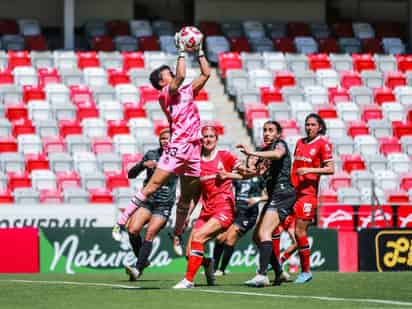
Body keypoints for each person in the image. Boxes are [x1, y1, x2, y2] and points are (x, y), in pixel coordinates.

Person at [112, 30, 211, 256]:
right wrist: (182, 52)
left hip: (194, 148)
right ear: (161, 81)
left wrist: (200, 50)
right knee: (152, 186)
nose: (173, 73)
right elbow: (181, 77)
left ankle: (176, 235)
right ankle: (121, 220)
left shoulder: (186, 91)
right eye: (168, 73)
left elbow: (206, 74)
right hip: (177, 146)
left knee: (187, 196)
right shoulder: (165, 94)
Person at [173, 125, 241, 289]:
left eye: (211, 136)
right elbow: (195, 194)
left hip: (224, 208)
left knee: (198, 238)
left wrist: (227, 174)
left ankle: (188, 280)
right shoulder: (197, 163)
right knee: (190, 253)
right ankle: (208, 263)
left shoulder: (225, 156)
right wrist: (188, 214)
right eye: (205, 136)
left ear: (217, 139)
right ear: (201, 140)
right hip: (206, 210)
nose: (208, 139)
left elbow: (243, 173)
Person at [237, 120, 296, 287]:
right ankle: (279, 272)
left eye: (271, 130)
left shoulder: (280, 145)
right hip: (274, 196)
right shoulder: (263, 152)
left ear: (278, 134)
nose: (267, 133)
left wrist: (252, 152)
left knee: (264, 233)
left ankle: (262, 275)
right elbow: (253, 173)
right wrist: (234, 172)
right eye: (264, 130)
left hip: (283, 193)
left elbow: (277, 155)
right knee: (257, 237)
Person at [124, 129, 178, 280]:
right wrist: (143, 165)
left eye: (168, 139)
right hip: (148, 201)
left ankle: (138, 268)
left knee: (150, 233)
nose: (165, 141)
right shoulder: (151, 154)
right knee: (132, 230)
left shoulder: (178, 156)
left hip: (164, 203)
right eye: (163, 139)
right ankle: (143, 260)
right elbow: (131, 174)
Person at [291, 113, 334, 283]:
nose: (309, 127)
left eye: (312, 125)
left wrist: (310, 170)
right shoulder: (300, 142)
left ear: (320, 127)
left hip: (308, 195)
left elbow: (330, 169)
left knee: (299, 231)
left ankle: (306, 271)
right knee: (278, 227)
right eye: (307, 124)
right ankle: (281, 260)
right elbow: (295, 166)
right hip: (293, 192)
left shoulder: (323, 144)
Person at [212, 155, 266, 276]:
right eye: (251, 158)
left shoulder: (260, 177)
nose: (252, 159)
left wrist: (257, 199)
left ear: (258, 162)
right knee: (220, 238)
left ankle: (221, 269)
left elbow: (267, 195)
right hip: (235, 211)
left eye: (255, 159)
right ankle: (213, 268)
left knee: (230, 239)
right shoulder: (240, 175)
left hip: (248, 214)